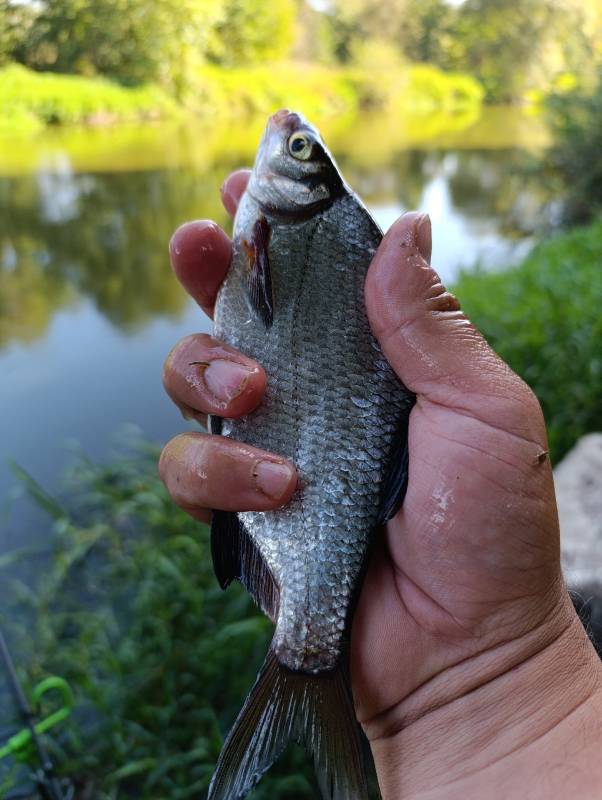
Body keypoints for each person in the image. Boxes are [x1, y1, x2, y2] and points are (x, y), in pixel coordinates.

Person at [159, 169, 602, 799]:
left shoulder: (317, 232)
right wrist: (503, 681)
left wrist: (505, 663)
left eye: (299, 149)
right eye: (302, 149)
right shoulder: (311, 230)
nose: (290, 141)